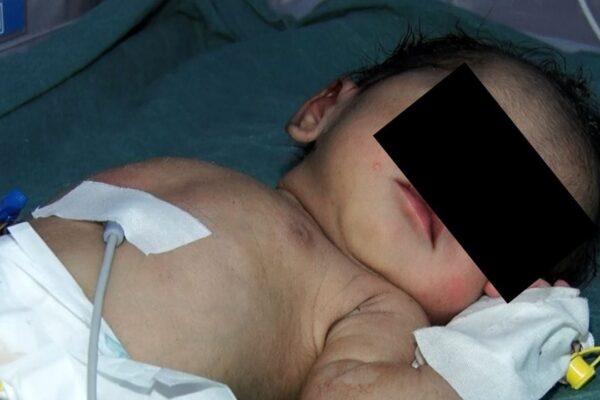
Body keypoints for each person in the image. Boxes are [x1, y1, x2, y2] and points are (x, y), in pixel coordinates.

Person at [16, 32, 600, 399]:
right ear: (324, 109)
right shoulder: (218, 178)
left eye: (506, 215)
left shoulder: (373, 305)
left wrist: (502, 353)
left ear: (492, 295)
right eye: (457, 135)